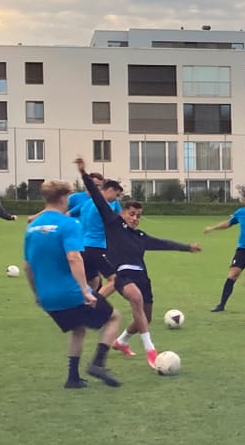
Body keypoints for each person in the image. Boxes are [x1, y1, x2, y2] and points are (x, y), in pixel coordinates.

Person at [74, 158, 201, 370]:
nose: (134, 218)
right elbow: (97, 197)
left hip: (143, 277)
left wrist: (187, 247)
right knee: (135, 298)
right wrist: (84, 174)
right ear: (122, 213)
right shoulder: (113, 224)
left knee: (146, 317)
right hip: (123, 275)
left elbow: (163, 243)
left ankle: (121, 341)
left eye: (138, 216)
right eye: (131, 214)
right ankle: (150, 351)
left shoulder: (140, 236)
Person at [23, 179, 122, 389]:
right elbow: (74, 258)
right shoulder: (68, 224)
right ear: (62, 198)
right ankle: (98, 363)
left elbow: (28, 267)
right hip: (71, 293)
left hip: (48, 298)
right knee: (113, 317)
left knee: (78, 329)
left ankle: (72, 378)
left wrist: (37, 294)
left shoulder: (31, 228)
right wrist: (85, 291)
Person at [204, 188, 245, 313]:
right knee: (232, 275)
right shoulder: (240, 213)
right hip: (242, 250)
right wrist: (212, 228)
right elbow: (228, 223)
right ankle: (221, 305)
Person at [77, 179, 123, 291]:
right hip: (97, 247)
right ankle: (98, 304)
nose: (116, 199)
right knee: (116, 280)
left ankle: (86, 305)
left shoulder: (88, 203)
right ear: (110, 190)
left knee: (92, 280)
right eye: (116, 195)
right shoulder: (104, 206)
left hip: (83, 247)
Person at [26, 173, 104, 224]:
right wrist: (35, 217)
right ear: (87, 185)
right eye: (96, 185)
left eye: (100, 185)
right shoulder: (75, 197)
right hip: (75, 234)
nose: (99, 188)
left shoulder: (104, 201)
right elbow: (54, 208)